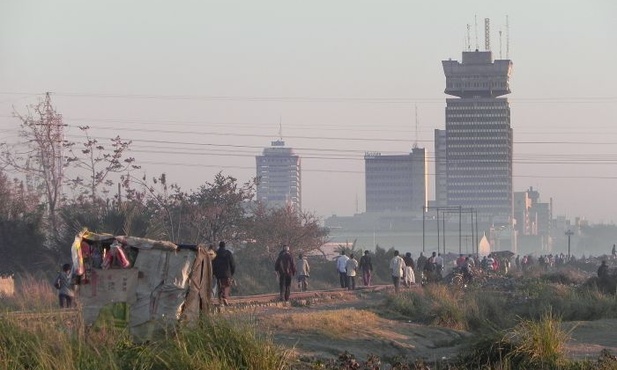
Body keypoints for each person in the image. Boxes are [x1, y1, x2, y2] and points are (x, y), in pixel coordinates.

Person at [212, 241, 235, 306]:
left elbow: (213, 263)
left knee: (220, 286)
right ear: (224, 246)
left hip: (218, 274)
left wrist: (214, 272)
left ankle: (220, 302)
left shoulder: (216, 253)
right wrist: (231, 273)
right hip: (227, 273)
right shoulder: (228, 253)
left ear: (219, 246)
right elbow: (233, 264)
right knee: (226, 286)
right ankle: (224, 298)